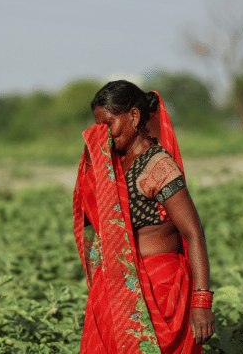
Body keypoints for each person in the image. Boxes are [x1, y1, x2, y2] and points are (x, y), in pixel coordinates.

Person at [73, 80, 214, 353]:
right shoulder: (110, 167)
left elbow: (193, 232)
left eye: (109, 124)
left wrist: (201, 302)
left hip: (159, 291)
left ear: (134, 116)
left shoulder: (158, 166)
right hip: (115, 290)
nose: (103, 134)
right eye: (98, 126)